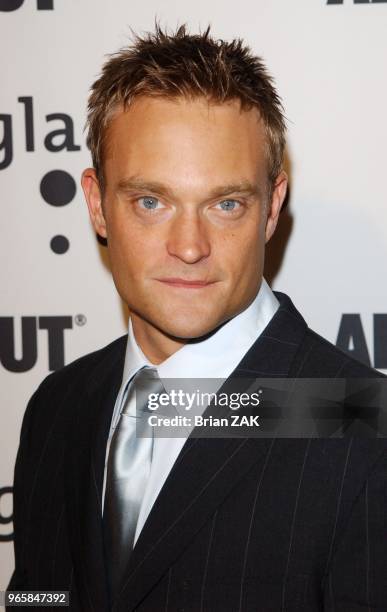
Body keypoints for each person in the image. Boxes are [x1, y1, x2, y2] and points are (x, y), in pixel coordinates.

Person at [8, 24, 387, 611]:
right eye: (151, 202)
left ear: (271, 209)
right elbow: (41, 597)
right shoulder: (57, 407)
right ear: (96, 203)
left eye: (226, 203)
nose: (189, 246)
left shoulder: (364, 426)